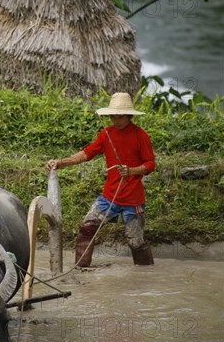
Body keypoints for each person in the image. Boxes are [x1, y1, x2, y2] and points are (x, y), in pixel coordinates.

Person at [46, 92, 155, 267]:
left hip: (132, 199)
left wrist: (132, 171)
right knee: (87, 228)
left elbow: (150, 164)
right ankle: (81, 269)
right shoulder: (107, 134)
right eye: (112, 116)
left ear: (129, 116)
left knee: (135, 241)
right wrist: (61, 162)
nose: (115, 120)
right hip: (109, 196)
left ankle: (145, 273)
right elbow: (87, 153)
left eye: (119, 116)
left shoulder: (140, 136)